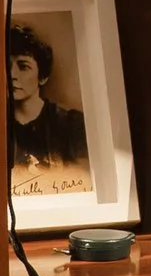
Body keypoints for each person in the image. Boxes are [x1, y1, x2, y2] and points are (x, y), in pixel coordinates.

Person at [7, 23, 91, 189]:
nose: (11, 75)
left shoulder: (71, 125)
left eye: (23, 66)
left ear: (42, 76)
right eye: (5, 66)